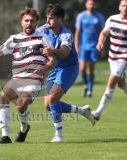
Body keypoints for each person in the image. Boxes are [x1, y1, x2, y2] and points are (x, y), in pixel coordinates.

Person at [0, 8, 56, 144]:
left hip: (33, 80)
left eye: (32, 21)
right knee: (3, 96)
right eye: (26, 20)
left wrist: (45, 68)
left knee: (21, 104)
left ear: (36, 22)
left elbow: (53, 60)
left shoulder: (42, 38)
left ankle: (24, 128)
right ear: (21, 22)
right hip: (17, 79)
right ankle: (5, 136)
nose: (29, 23)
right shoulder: (14, 39)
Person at [37, 4, 95, 142]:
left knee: (52, 100)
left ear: (59, 19)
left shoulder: (66, 33)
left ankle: (59, 135)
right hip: (54, 69)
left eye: (51, 18)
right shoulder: (44, 30)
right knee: (48, 105)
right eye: (47, 18)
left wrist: (52, 51)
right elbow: (30, 36)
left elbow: (65, 51)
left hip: (69, 68)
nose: (47, 21)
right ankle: (82, 111)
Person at [91, 0, 127, 121]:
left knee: (112, 79)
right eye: (123, 5)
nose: (125, 7)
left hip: (124, 56)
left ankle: (98, 112)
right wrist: (100, 42)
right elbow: (104, 32)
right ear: (119, 7)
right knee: (120, 83)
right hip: (112, 57)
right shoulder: (112, 19)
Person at [75, 0, 105, 97]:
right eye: (89, 3)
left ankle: (90, 91)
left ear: (95, 5)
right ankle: (85, 84)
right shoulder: (81, 16)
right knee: (82, 69)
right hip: (83, 46)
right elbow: (77, 32)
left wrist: (102, 45)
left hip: (94, 46)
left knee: (91, 69)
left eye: (93, 4)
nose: (91, 5)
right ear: (86, 5)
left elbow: (103, 33)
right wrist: (76, 46)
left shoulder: (99, 17)